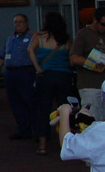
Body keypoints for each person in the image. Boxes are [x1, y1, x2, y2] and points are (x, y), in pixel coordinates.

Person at [28, 11, 72, 156]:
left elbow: (30, 50)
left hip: (45, 75)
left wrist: (37, 67)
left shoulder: (40, 38)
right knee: (63, 108)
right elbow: (71, 58)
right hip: (63, 75)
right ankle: (64, 142)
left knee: (43, 110)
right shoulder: (66, 39)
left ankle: (42, 145)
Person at [70, 6, 105, 107]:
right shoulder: (83, 34)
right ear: (95, 20)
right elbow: (75, 58)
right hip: (89, 85)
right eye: (103, 24)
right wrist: (95, 63)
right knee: (92, 117)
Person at [0, 13, 37, 141]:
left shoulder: (33, 37)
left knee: (30, 101)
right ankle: (23, 129)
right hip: (10, 73)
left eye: (20, 22)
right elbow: (3, 55)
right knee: (15, 102)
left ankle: (37, 130)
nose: (18, 24)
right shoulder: (10, 39)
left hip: (26, 72)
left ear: (26, 23)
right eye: (16, 22)